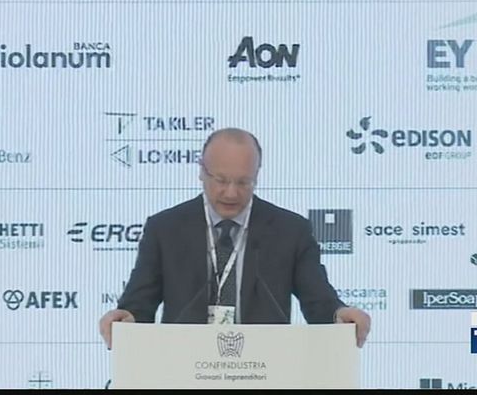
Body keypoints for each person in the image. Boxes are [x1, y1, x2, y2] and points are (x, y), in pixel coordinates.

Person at [99, 128, 370, 348]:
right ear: (201, 171)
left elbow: (318, 300)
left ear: (257, 175)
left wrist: (339, 316)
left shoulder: (290, 230)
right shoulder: (165, 228)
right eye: (221, 180)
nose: (231, 193)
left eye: (243, 182)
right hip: (183, 367)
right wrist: (126, 320)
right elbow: (139, 304)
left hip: (265, 369)